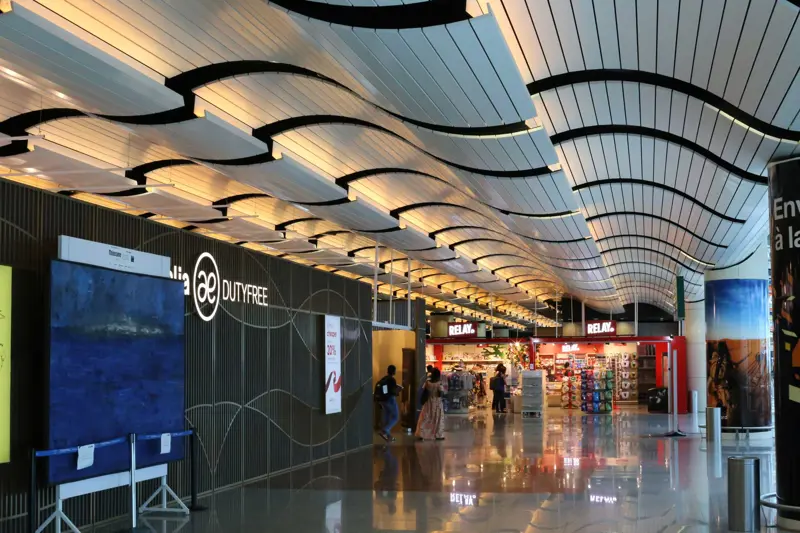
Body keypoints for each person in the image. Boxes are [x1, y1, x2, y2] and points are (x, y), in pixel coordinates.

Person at [415, 368, 445, 440]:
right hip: (437, 403)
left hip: (428, 402)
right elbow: (440, 394)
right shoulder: (439, 383)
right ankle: (438, 434)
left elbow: (424, 392)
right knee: (437, 418)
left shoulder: (427, 383)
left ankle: (422, 434)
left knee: (426, 418)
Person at [377, 365, 402, 442]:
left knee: (387, 416)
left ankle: (388, 436)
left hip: (383, 400)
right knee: (395, 417)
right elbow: (393, 391)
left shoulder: (383, 379)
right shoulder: (392, 380)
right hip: (390, 400)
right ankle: (385, 430)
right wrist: (398, 390)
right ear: (394, 371)